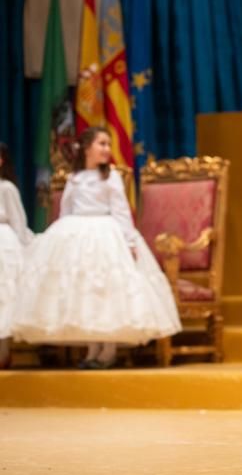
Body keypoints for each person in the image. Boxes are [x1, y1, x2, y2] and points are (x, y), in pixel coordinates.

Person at [13, 127, 180, 369]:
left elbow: (121, 211)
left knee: (106, 290)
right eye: (101, 144)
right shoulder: (75, 178)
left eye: (109, 145)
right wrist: (60, 240)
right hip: (76, 233)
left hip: (105, 232)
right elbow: (66, 210)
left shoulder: (110, 177)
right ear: (87, 147)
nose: (106, 150)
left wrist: (130, 241)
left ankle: (108, 349)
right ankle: (92, 348)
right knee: (84, 292)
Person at [0, 143, 33, 368]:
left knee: (5, 295)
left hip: (4, 243)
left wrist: (25, 248)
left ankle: (3, 352)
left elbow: (18, 221)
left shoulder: (6, 188)